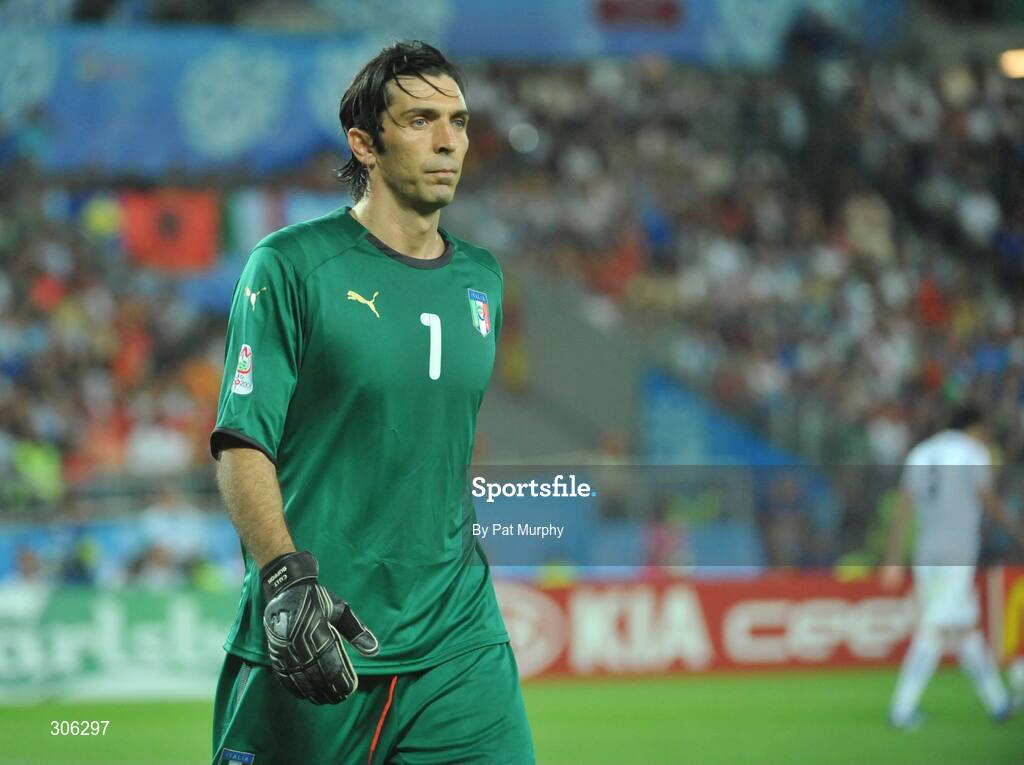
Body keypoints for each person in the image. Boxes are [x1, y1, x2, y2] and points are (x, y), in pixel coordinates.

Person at [208, 41, 535, 764]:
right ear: (365, 142)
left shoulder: (483, 278)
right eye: (421, 119)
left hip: (458, 638)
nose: (449, 139)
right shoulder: (290, 266)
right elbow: (240, 444)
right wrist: (286, 581)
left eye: (459, 119)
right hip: (318, 635)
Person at [881, 404, 1024, 728]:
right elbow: (987, 499)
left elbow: (904, 507)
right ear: (974, 427)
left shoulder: (922, 452)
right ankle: (901, 710)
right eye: (985, 430)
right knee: (934, 628)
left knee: (964, 628)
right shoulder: (974, 452)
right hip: (957, 551)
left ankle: (998, 702)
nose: (987, 436)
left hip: (926, 551)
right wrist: (1018, 531)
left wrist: (893, 557)